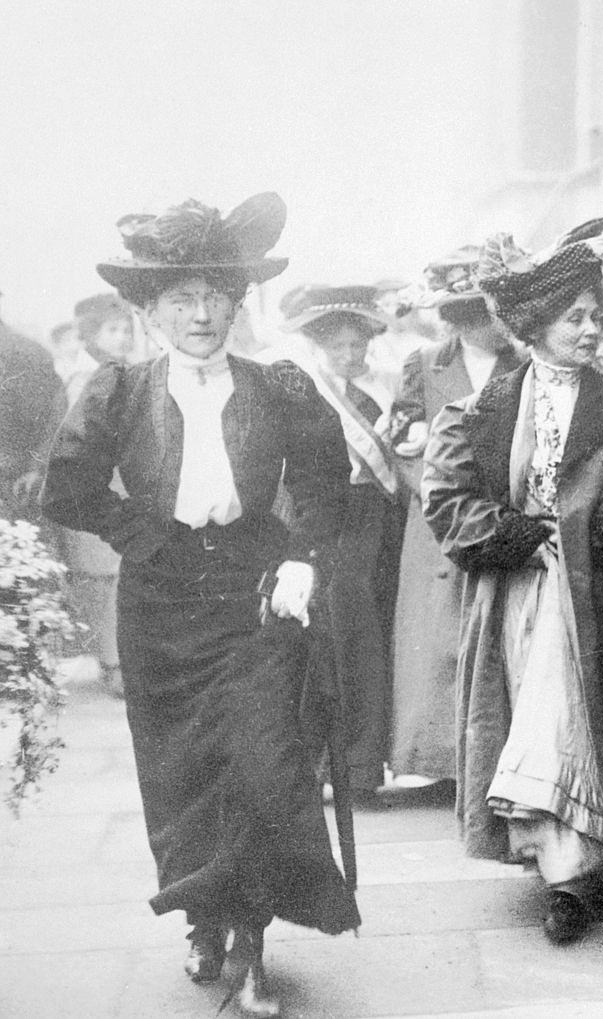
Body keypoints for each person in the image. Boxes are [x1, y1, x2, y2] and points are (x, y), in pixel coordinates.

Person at [41, 193, 359, 1017]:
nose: (201, 312)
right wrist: (142, 537)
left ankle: (253, 944)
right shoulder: (119, 391)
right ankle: (202, 920)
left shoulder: (279, 386)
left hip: (254, 597)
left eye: (216, 294)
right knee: (180, 775)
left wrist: (301, 556)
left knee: (264, 767)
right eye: (179, 297)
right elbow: (66, 487)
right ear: (148, 312)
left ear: (237, 303)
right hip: (160, 605)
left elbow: (329, 481)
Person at [421, 221, 603, 943]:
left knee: (569, 711)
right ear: (534, 327)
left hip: (598, 597)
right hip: (517, 590)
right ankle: (565, 866)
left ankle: (568, 874)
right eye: (576, 319)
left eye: (595, 317)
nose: (593, 331)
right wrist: (515, 536)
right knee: (543, 712)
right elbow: (445, 500)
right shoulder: (487, 409)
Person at [387, 246, 525, 795]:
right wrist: (437, 491)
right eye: (482, 312)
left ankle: (495, 762)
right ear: (458, 317)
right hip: (437, 520)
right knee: (439, 638)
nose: (497, 322)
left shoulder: (525, 362)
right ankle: (441, 760)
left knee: (497, 633)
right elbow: (400, 442)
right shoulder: (424, 365)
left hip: (503, 511)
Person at [279, 284, 405, 804]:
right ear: (319, 346)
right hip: (329, 519)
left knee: (376, 632)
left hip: (380, 516)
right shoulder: (306, 390)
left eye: (358, 346)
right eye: (339, 347)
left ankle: (364, 764)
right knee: (338, 637)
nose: (351, 356)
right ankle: (332, 762)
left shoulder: (384, 389)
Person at [59, 292, 136, 695]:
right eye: (112, 330)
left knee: (119, 576)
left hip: (122, 484)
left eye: (126, 329)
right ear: (92, 335)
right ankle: (111, 663)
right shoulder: (83, 377)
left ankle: (120, 659)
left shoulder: (127, 372)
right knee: (100, 579)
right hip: (90, 485)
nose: (122, 336)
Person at [0, 316, 65, 523]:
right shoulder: (29, 350)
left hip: (16, 486)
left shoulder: (25, 354)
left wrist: (36, 469)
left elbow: (52, 419)